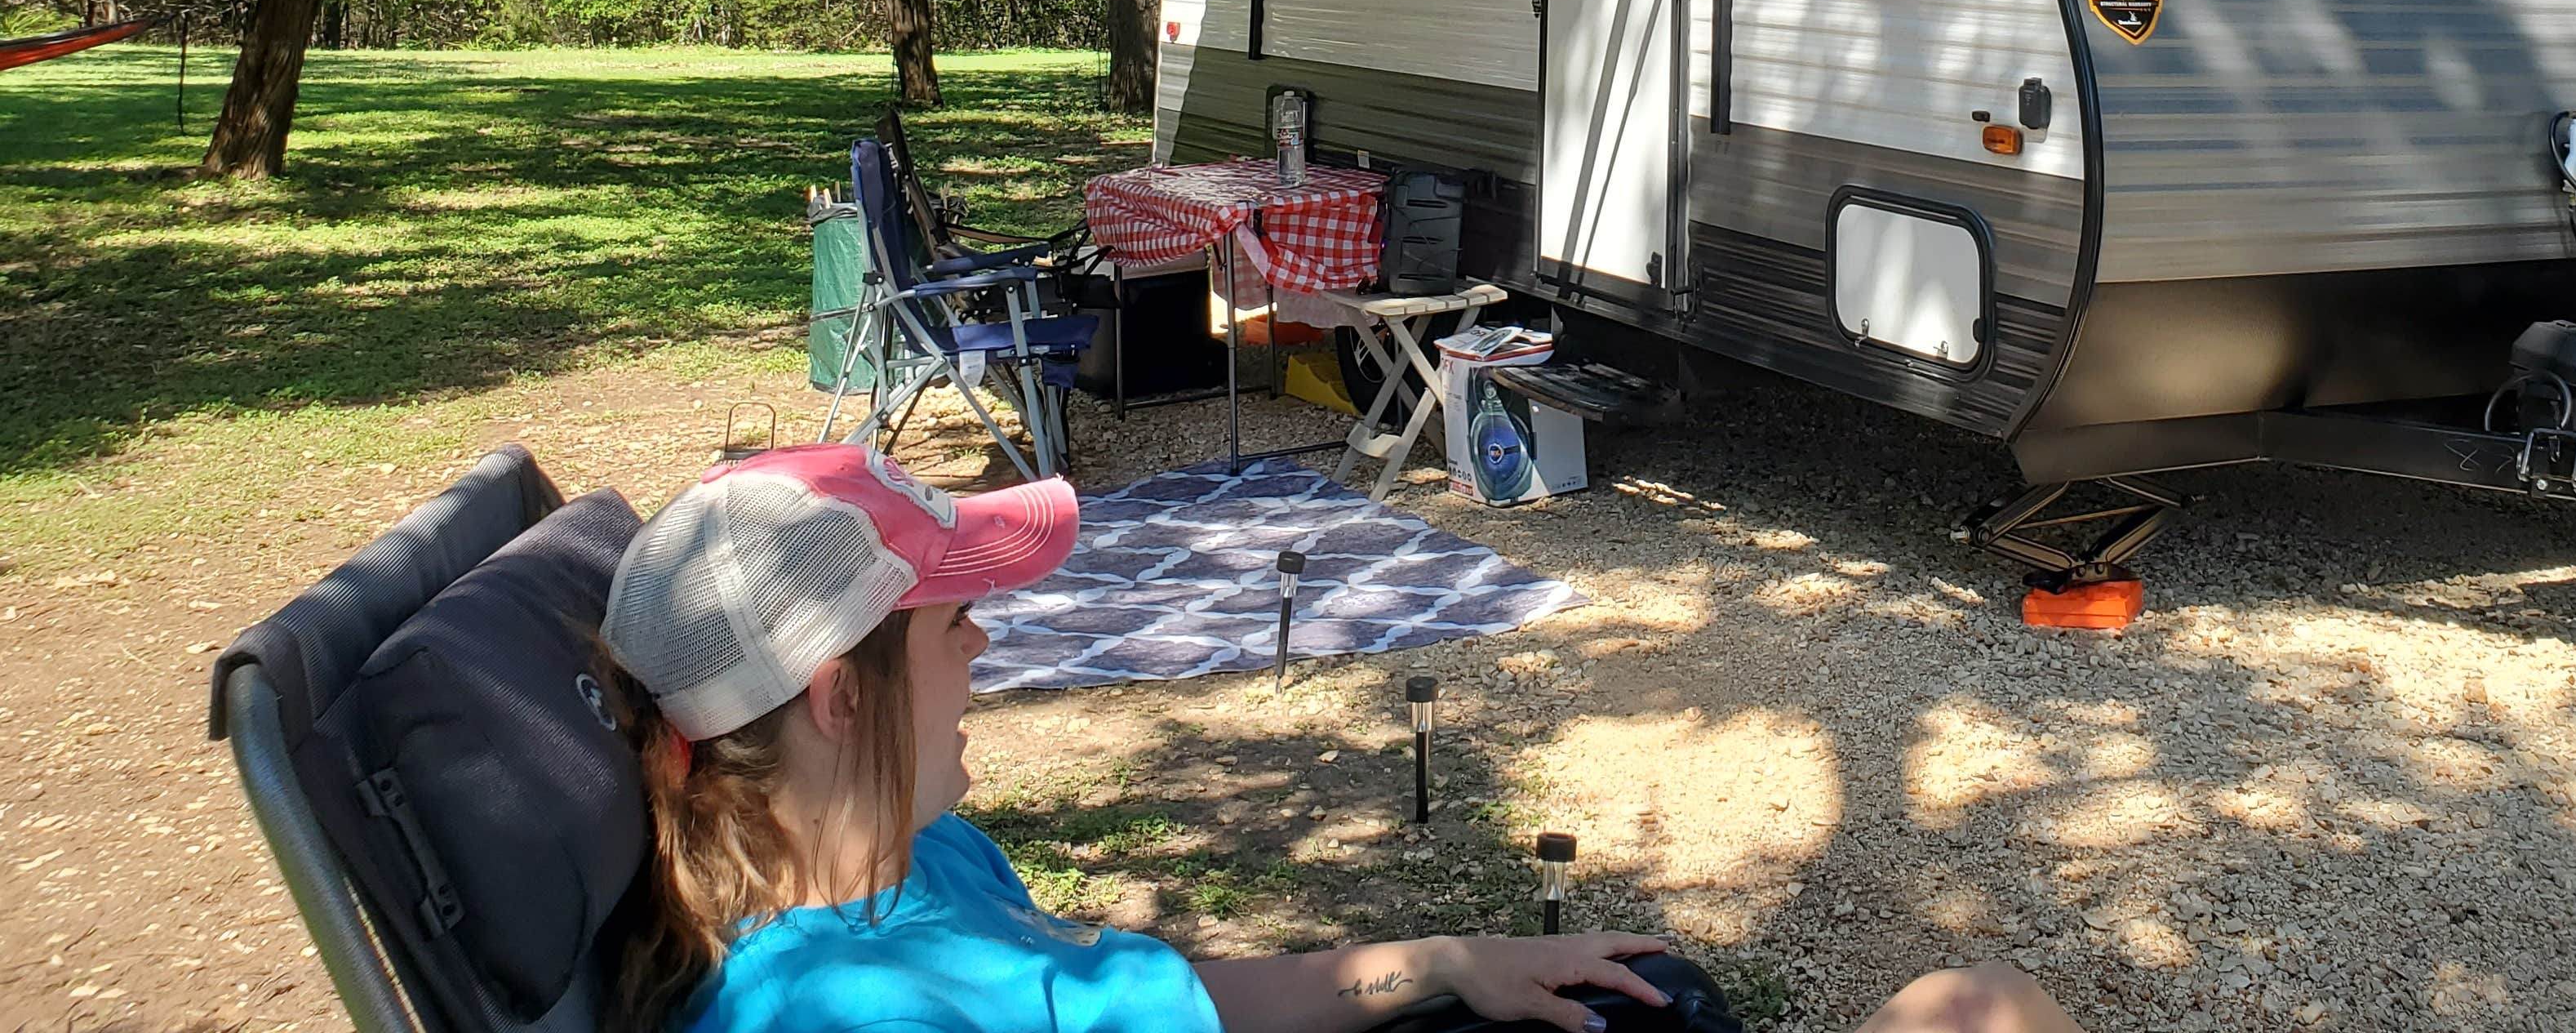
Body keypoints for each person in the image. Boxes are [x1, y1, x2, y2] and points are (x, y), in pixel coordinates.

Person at [600, 444, 2081, 1033]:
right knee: (1985, 1012)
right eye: (949, 626)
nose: (985, 646)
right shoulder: (855, 1015)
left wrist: (1446, 963)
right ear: (837, 697)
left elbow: (1172, 996)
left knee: (1969, 1003)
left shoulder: (917, 867)